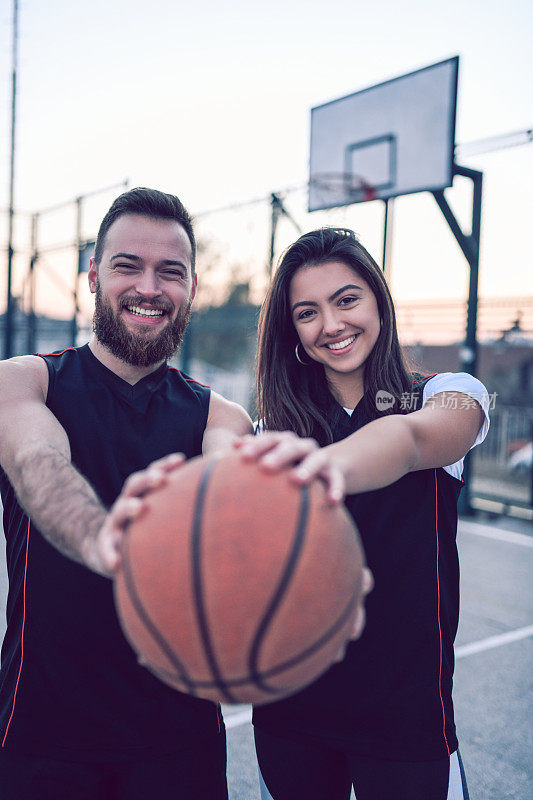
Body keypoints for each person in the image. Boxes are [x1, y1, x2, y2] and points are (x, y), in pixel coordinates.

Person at [0, 187, 252, 799]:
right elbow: (39, 462)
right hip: (42, 735)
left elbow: (223, 485)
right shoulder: (25, 382)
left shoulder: (223, 417)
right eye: (127, 266)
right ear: (93, 276)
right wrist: (110, 543)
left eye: (171, 272)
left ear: (192, 289)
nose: (149, 287)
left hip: (179, 742)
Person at [236, 227, 489, 800]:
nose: (331, 324)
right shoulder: (270, 429)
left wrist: (316, 473)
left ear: (378, 300)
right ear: (292, 332)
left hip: (406, 715)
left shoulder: (447, 395)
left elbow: (405, 441)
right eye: (307, 312)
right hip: (291, 707)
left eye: (346, 299)